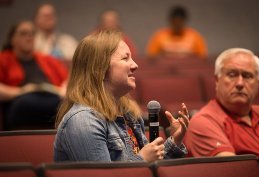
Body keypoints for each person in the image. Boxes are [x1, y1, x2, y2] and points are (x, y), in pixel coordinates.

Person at [54, 29, 189, 162]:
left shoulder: (129, 114)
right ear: (100, 69)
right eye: (125, 58)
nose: (135, 65)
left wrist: (174, 141)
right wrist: (142, 160)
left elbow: (150, 171)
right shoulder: (83, 121)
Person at [183, 48, 259, 157]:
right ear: (217, 80)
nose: (240, 83)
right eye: (232, 75)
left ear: (257, 83)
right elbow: (235, 171)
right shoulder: (203, 122)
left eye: (247, 76)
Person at [0, 20, 68, 130]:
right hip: (21, 104)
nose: (29, 37)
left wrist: (64, 90)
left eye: (32, 34)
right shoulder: (3, 59)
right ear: (12, 39)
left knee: (70, 106)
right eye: (23, 33)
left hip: (53, 100)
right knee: (27, 102)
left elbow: (69, 80)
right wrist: (22, 91)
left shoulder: (47, 59)